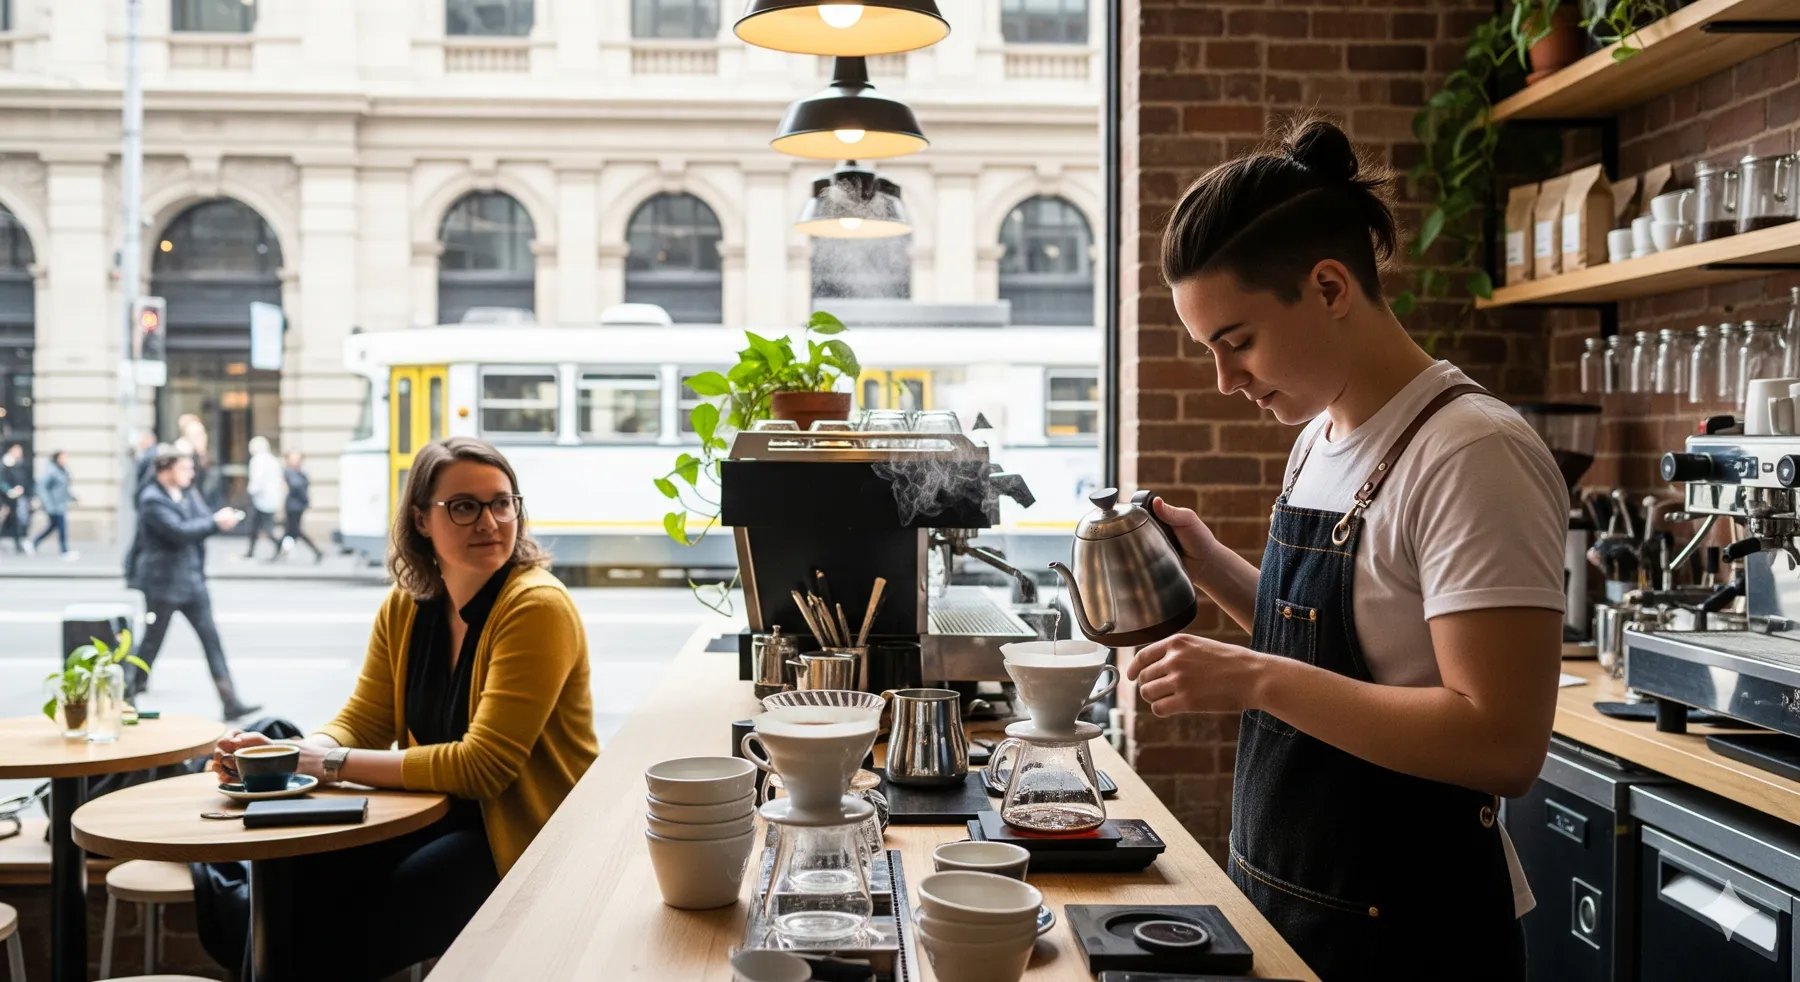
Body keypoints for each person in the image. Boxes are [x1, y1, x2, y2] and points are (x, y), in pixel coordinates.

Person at [1121, 119, 1566, 981]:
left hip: (1415, 941)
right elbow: (1347, 651)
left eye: (1237, 341)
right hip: (1291, 910)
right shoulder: (1320, 436)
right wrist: (1209, 564)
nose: (1225, 381)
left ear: (1329, 287)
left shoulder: (1472, 452)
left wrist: (1251, 678)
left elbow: (1502, 741)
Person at [207, 437, 596, 979]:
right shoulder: (408, 605)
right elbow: (364, 720)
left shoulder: (536, 606)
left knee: (346, 928)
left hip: (522, 840)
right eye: (464, 506)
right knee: (297, 876)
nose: (490, 521)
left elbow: (483, 767)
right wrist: (291, 753)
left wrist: (320, 763)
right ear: (420, 519)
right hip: (432, 814)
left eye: (502, 502)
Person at [127, 444, 261, 719]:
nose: (191, 472)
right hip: (162, 584)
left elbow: (199, 521)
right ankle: (129, 691)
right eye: (184, 468)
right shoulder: (151, 499)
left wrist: (215, 520)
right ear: (166, 471)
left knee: (212, 640)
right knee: (151, 641)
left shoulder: (187, 491)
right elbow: (179, 531)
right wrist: (215, 522)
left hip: (191, 582)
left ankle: (230, 700)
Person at [242, 436, 283, 559]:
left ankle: (279, 544)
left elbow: (257, 480)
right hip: (270, 499)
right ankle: (251, 551)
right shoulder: (272, 460)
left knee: (264, 526)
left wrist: (251, 491)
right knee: (257, 526)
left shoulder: (258, 460)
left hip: (260, 499)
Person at [278, 450, 323, 562]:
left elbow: (299, 487)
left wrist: (306, 501)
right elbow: (297, 486)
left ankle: (316, 551)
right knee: (291, 530)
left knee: (294, 530)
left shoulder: (300, 472)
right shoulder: (289, 472)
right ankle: (281, 550)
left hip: (297, 506)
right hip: (293, 505)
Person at [31, 450, 76, 560]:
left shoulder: (64, 471)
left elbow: (63, 488)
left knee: (52, 527)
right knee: (61, 527)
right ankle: (65, 550)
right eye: (63, 458)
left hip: (61, 504)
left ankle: (35, 542)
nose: (65, 460)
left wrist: (72, 496)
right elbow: (42, 488)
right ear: (57, 459)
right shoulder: (52, 472)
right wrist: (48, 504)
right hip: (54, 506)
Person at [0, 442, 29, 555]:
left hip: (15, 496)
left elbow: (24, 479)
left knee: (14, 519)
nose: (19, 453)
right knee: (7, 519)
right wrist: (9, 490)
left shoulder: (19, 464)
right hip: (4, 497)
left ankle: (18, 544)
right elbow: (2, 480)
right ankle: (17, 544)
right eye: (17, 450)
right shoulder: (5, 464)